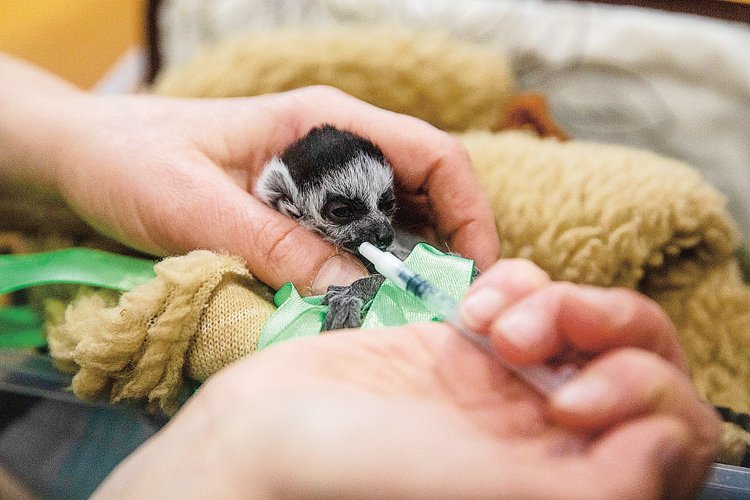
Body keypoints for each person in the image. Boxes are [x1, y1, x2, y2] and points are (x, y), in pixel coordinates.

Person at [0, 54, 720, 498]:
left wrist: (71, 135)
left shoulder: (382, 231)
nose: (373, 227)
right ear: (282, 201)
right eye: (346, 210)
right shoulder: (260, 220)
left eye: (378, 205)